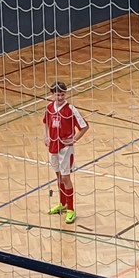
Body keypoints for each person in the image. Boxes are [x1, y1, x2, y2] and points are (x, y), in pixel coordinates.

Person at [42, 81, 89, 225]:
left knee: (65, 178)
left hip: (65, 149)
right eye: (57, 95)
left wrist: (73, 139)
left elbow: (84, 126)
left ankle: (71, 209)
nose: (60, 97)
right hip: (53, 147)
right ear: (52, 94)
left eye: (62, 95)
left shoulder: (71, 109)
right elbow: (45, 122)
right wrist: (46, 136)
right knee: (58, 177)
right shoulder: (49, 107)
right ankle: (62, 204)